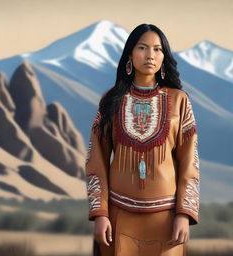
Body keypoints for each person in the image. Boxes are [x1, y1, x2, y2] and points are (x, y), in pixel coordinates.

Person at [85, 23, 200, 256]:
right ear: (130, 54)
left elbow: (190, 163)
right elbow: (95, 161)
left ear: (164, 56)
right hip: (119, 217)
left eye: (158, 49)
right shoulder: (111, 101)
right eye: (142, 48)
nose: (150, 55)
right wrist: (100, 214)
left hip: (166, 221)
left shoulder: (180, 101)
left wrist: (184, 214)